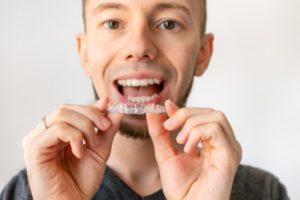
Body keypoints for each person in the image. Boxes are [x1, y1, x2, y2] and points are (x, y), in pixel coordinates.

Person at [1, 0, 289, 199]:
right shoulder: (28, 191)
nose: (138, 47)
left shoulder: (264, 193)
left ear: (202, 53)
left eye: (168, 24)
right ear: (85, 53)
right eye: (113, 23)